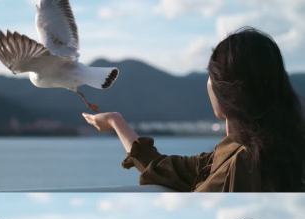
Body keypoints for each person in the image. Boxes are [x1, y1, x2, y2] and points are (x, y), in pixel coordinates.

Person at [82, 28, 305, 192]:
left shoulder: (242, 164)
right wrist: (115, 122)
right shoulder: (244, 150)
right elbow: (162, 168)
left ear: (227, 92)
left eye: (212, 75)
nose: (208, 82)